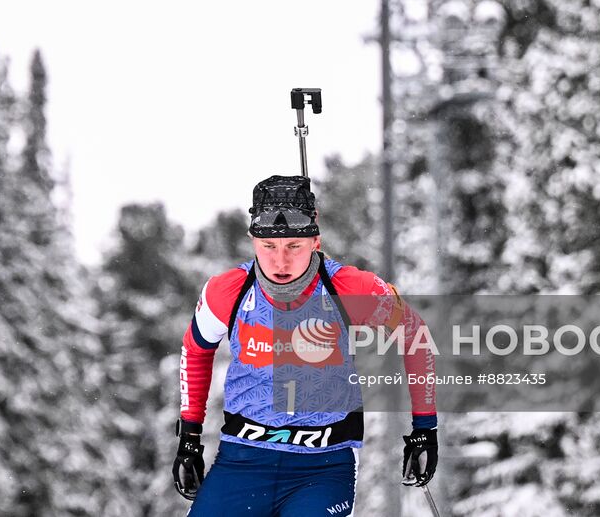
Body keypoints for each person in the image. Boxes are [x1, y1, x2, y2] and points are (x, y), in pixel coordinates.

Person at [172, 174, 438, 515]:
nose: (280, 262)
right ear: (253, 240)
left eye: (293, 246)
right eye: (269, 247)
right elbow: (195, 350)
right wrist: (190, 436)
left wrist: (424, 430)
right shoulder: (228, 291)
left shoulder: (349, 288)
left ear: (315, 241)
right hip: (243, 461)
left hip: (322, 468)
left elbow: (416, 337)